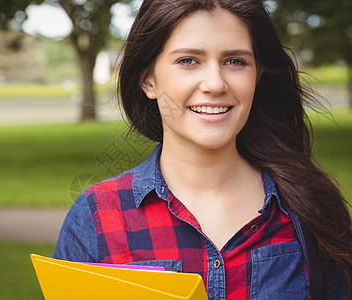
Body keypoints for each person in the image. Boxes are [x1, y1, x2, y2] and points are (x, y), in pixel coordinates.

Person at [53, 0, 352, 299]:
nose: (215, 84)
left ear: (257, 77)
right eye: (188, 60)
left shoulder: (309, 208)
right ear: (148, 79)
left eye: (235, 61)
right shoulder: (98, 215)